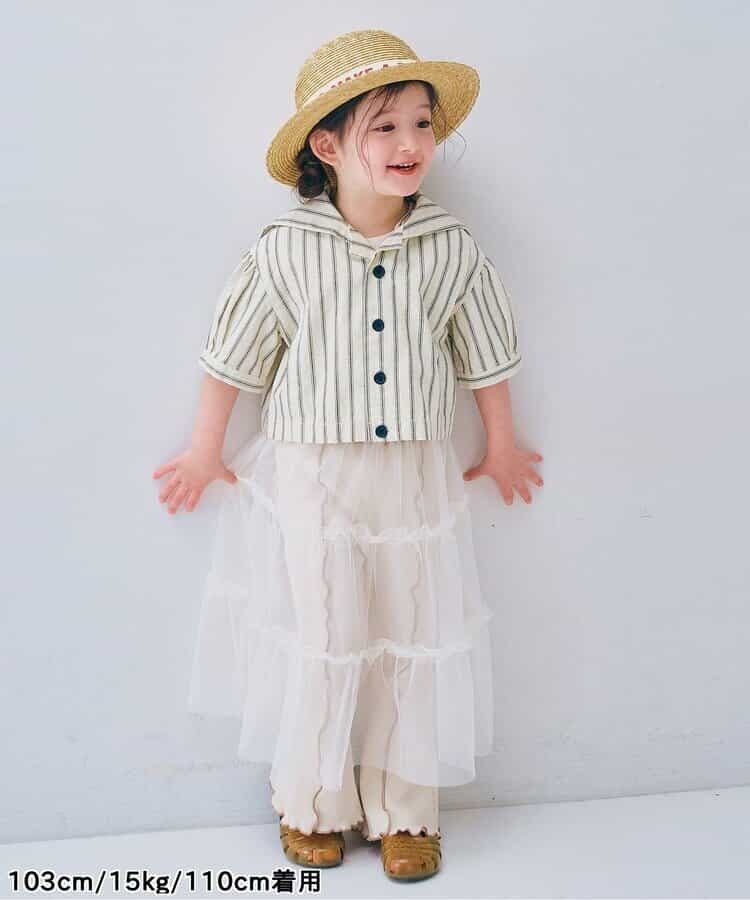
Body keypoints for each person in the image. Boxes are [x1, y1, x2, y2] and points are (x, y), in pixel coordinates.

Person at [152, 28, 543, 883]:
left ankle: (407, 811)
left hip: (413, 470)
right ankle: (313, 799)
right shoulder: (284, 248)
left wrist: (502, 444)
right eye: (385, 126)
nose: (411, 143)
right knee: (329, 630)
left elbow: (486, 354)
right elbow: (233, 358)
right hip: (313, 470)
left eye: (422, 124)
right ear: (326, 147)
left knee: (412, 629)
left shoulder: (451, 247)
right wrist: (203, 450)